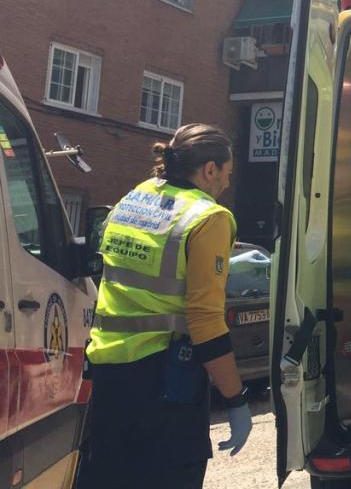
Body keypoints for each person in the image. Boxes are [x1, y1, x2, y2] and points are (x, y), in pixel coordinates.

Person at [78, 124, 252, 489]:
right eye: (227, 175)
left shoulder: (135, 197)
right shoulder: (209, 217)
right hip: (165, 388)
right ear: (209, 169)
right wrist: (235, 398)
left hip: (108, 375)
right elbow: (205, 321)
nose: (225, 184)